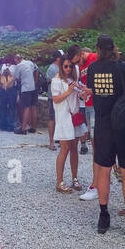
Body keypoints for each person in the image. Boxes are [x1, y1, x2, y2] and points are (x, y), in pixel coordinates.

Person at [86, 35, 125, 236]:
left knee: (103, 171)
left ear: (98, 49)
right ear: (113, 48)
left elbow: (92, 92)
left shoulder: (92, 69)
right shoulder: (122, 67)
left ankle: (103, 218)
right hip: (124, 125)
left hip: (102, 126)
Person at [50, 51, 84, 193]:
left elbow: (78, 96)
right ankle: (59, 181)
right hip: (64, 118)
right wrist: (70, 91)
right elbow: (56, 99)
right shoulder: (56, 80)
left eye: (70, 66)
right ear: (61, 67)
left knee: (74, 148)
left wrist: (81, 92)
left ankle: (74, 178)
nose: (68, 69)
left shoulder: (72, 79)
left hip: (74, 116)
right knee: (64, 149)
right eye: (65, 67)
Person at [13, 52, 37, 134]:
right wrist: (34, 81)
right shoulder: (30, 62)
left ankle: (23, 129)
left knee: (26, 108)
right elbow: (36, 71)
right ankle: (33, 127)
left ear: (17, 60)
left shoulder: (18, 66)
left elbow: (17, 79)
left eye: (15, 61)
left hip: (25, 88)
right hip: (33, 87)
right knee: (33, 108)